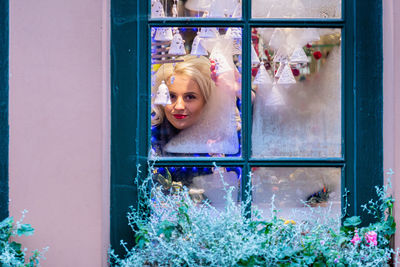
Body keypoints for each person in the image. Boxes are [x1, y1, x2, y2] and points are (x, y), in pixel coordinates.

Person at [151, 55, 240, 157]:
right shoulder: (148, 137)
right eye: (171, 96)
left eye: (190, 97)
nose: (179, 106)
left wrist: (243, 92)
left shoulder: (227, 137)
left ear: (207, 100)